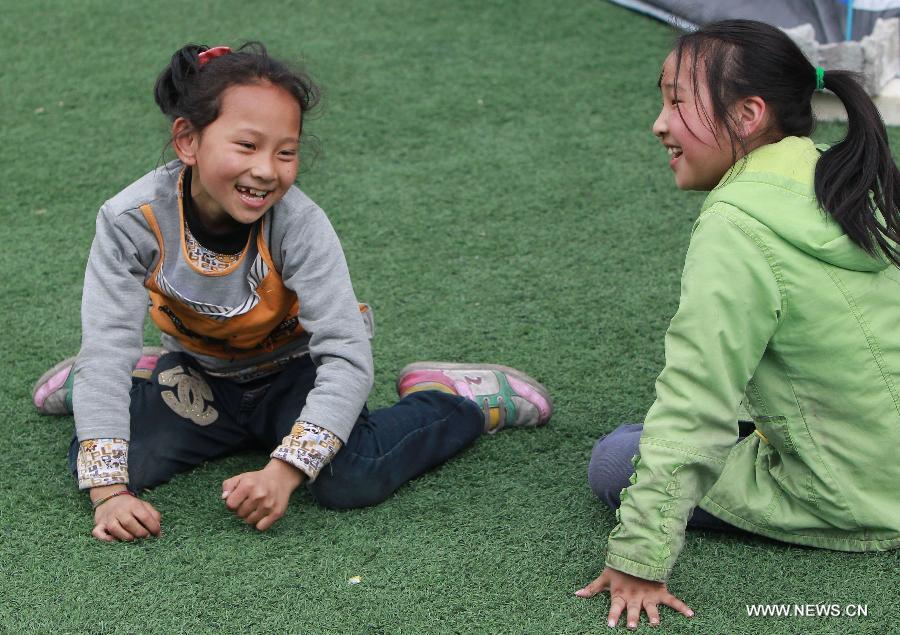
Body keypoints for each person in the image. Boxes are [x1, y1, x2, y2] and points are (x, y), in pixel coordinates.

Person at [32, 42, 552, 543]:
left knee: (352, 477)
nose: (266, 170)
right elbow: (106, 346)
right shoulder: (131, 220)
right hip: (201, 375)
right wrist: (110, 494)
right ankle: (135, 378)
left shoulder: (299, 223)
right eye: (246, 145)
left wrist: (284, 471)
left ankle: (453, 401)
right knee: (120, 460)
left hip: (293, 373)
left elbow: (347, 356)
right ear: (187, 140)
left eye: (286, 152)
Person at [576, 20, 900, 629]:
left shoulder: (735, 222)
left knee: (618, 457)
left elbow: (696, 400)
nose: (660, 122)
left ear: (749, 115)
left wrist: (640, 558)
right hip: (885, 451)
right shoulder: (842, 173)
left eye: (677, 101)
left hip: (858, 497)